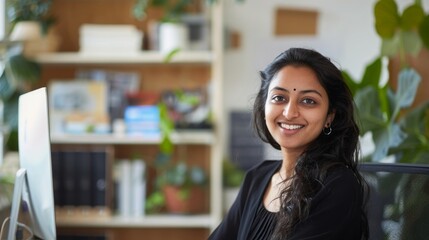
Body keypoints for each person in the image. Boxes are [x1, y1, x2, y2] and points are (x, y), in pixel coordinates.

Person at [209, 48, 369, 240]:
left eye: (308, 101)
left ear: (330, 116)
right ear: (264, 105)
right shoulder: (257, 177)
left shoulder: (336, 185)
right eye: (279, 98)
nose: (289, 112)